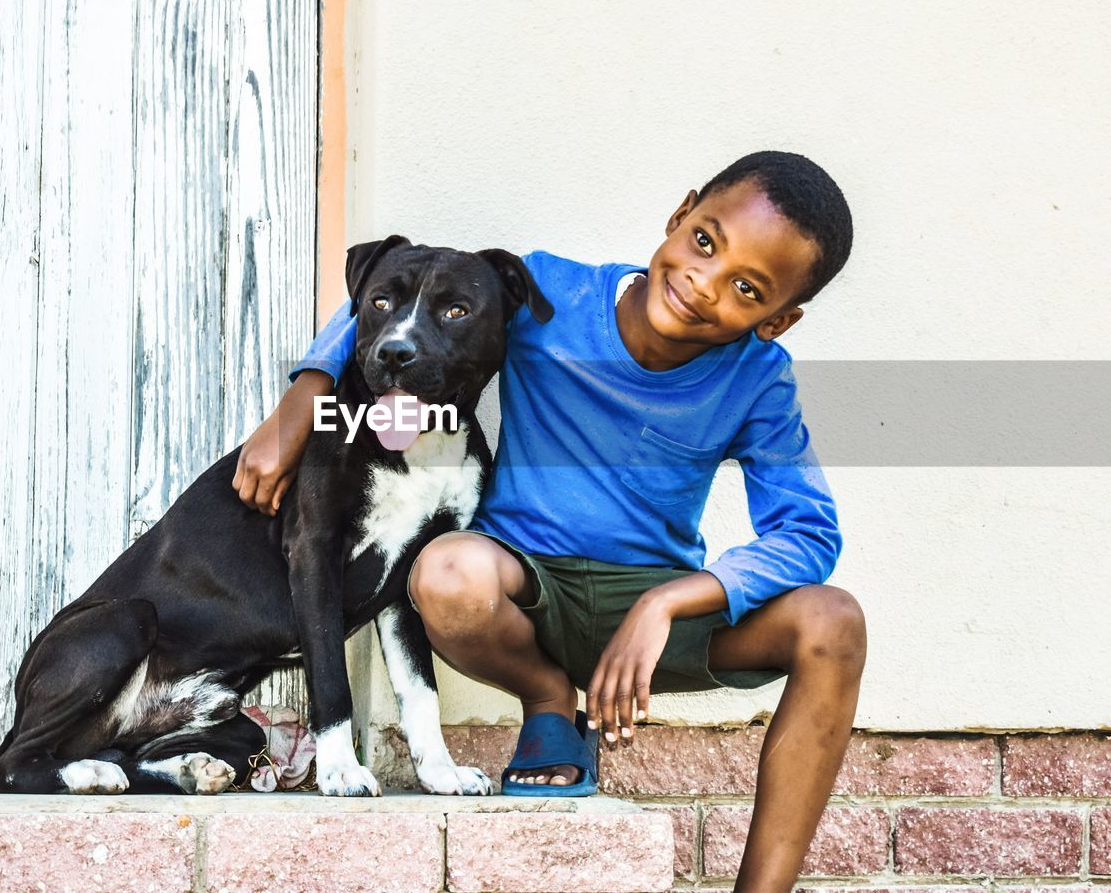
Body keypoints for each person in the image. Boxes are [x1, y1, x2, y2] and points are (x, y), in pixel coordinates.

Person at [234, 151, 863, 891]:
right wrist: (299, 405)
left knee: (835, 621)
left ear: (777, 320)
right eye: (705, 241)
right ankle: (546, 699)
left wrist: (672, 599)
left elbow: (809, 533)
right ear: (681, 213)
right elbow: (388, 299)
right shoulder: (549, 294)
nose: (704, 282)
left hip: (654, 610)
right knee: (444, 571)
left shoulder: (759, 381)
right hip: (523, 589)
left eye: (747, 287)